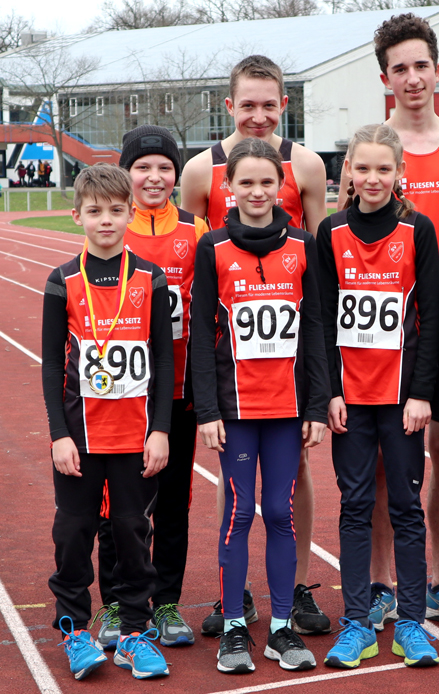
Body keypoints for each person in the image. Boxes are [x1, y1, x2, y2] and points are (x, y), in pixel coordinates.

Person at [337, 12, 439, 630]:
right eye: (399, 68)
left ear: (437, 70)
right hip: (378, 334)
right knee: (378, 463)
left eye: (421, 65)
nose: (412, 77)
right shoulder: (371, 151)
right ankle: (379, 582)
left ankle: (436, 579)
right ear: (385, 78)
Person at [181, 54, 330, 636]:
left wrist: (322, 377)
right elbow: (193, 259)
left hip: (290, 351)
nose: (260, 115)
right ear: (230, 106)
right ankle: (233, 591)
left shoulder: (309, 166)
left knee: (295, 479)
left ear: (284, 105)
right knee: (236, 487)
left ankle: (293, 586)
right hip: (231, 347)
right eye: (249, 104)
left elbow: (321, 255)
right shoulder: (200, 171)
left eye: (270, 104)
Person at [41, 164, 175, 680]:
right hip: (79, 437)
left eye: (117, 211)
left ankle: (136, 634)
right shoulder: (62, 280)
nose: (106, 221)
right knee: (73, 533)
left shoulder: (149, 277)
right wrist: (57, 435)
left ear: (130, 215)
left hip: (134, 437)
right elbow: (53, 363)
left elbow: (163, 359)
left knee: (132, 534)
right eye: (95, 212)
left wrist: (160, 428)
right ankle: (75, 631)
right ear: (77, 216)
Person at [320, 124, 439, 669]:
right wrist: (327, 392)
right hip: (351, 397)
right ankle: (356, 622)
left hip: (401, 401)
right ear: (348, 171)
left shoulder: (419, 231)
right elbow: (321, 318)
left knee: (406, 508)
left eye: (383, 169)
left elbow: (433, 318)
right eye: (362, 168)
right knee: (355, 507)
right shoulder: (330, 231)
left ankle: (411, 623)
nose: (372, 178)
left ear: (399, 174)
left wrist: (422, 393)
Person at [93, 126, 208, 650]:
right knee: (119, 504)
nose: (155, 177)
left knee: (174, 502)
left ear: (177, 174)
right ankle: (117, 603)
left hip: (179, 391)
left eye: (165, 167)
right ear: (126, 173)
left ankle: (164, 602)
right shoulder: (114, 229)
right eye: (143, 167)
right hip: (120, 396)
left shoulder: (197, 228)